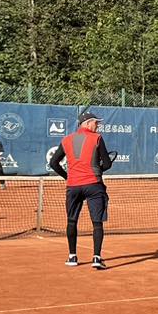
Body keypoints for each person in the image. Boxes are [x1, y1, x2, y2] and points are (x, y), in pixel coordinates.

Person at [48, 110, 114, 270]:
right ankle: (97, 258)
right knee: (97, 223)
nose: (98, 125)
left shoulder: (67, 139)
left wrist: (67, 177)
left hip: (73, 186)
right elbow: (107, 164)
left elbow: (53, 163)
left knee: (71, 221)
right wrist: (98, 168)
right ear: (87, 123)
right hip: (94, 185)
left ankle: (72, 257)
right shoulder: (97, 138)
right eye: (96, 123)